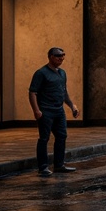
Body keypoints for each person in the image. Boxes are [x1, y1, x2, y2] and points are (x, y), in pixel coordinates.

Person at [29, 47, 79, 177]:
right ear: (51, 57)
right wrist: (36, 110)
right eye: (58, 56)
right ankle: (43, 167)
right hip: (46, 111)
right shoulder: (41, 73)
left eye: (63, 56)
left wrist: (72, 106)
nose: (61, 58)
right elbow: (33, 92)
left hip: (59, 110)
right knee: (44, 138)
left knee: (62, 136)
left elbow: (64, 92)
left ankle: (59, 165)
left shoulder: (62, 73)